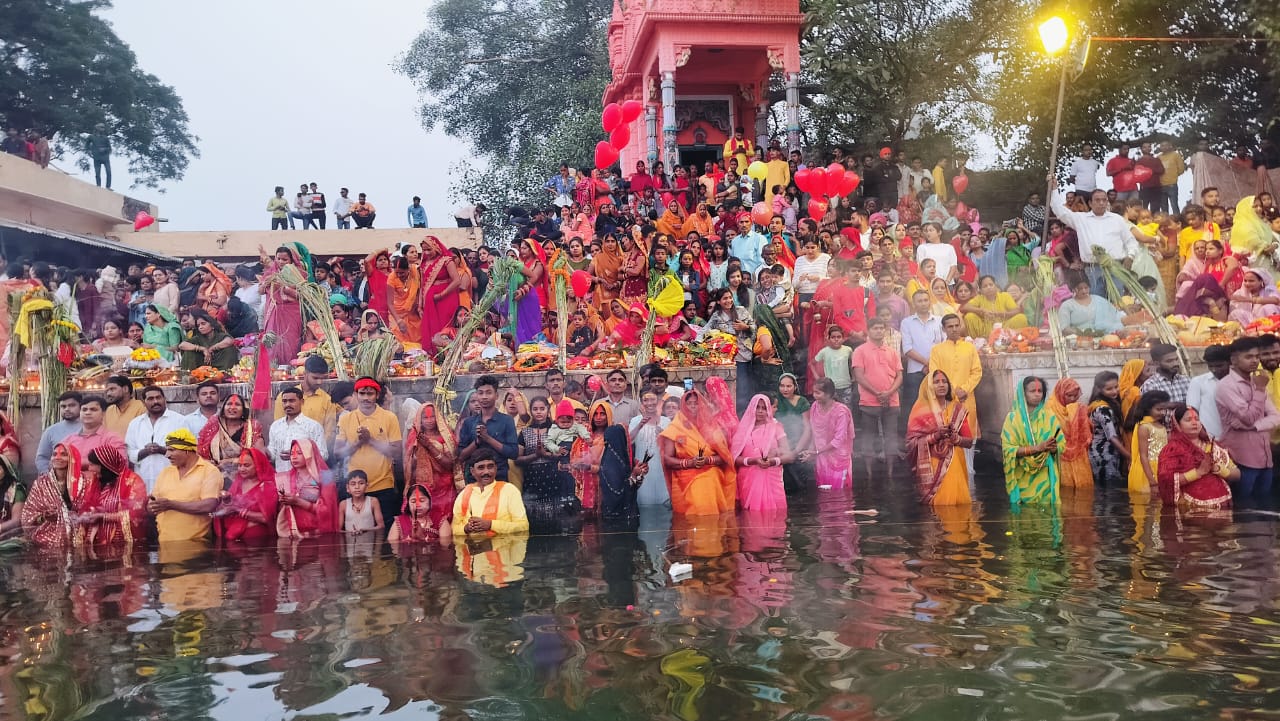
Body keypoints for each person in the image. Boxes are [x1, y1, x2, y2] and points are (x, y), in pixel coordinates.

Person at [1216, 336, 1280, 501]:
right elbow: (1248, 417)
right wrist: (1259, 389)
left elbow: (1275, 417)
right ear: (1234, 359)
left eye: (1257, 356)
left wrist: (1254, 427)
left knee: (1265, 505)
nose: (1254, 361)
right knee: (1244, 508)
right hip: (1241, 459)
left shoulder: (1256, 381)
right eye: (1248, 357)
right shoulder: (1226, 386)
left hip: (1265, 457)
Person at [335, 377, 402, 528]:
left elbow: (397, 452)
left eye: (370, 394)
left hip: (383, 485)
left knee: (385, 535)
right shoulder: (346, 419)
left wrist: (370, 440)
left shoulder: (389, 418)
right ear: (355, 394)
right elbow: (338, 453)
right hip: (356, 488)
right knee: (355, 535)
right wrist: (359, 442)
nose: (366, 398)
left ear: (377, 395)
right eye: (362, 393)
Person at [659, 389, 735, 515]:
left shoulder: (712, 427)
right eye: (689, 403)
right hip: (684, 477)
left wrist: (707, 460)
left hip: (711, 474)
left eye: (696, 403)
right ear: (683, 406)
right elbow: (667, 459)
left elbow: (724, 457)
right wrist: (690, 463)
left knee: (709, 483)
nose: (693, 407)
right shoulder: (675, 428)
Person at [1051, 188, 1139, 295]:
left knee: (1118, 304)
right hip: (1092, 270)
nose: (1101, 203)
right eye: (1097, 200)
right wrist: (1054, 189)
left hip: (1115, 268)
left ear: (1107, 202)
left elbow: (1131, 241)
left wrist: (1130, 256)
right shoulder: (1081, 219)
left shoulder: (1117, 219)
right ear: (1090, 203)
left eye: (1104, 200)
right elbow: (1059, 211)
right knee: (1097, 304)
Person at [905, 369, 974, 506]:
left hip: (955, 462)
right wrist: (936, 436)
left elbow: (969, 442)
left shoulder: (957, 408)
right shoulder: (920, 410)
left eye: (944, 381)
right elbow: (910, 443)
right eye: (936, 382)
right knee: (937, 505)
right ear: (929, 386)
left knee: (958, 505)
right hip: (931, 464)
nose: (941, 385)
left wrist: (956, 439)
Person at [147, 429, 222, 543]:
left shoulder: (209, 471)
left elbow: (209, 505)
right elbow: (151, 508)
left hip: (197, 545)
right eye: (167, 450)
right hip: (165, 543)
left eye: (171, 450)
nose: (167, 455)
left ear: (187, 450)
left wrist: (171, 504)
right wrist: (152, 506)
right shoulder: (165, 472)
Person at [1156, 404, 1235, 512]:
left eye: (1197, 419)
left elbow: (1237, 474)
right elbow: (1166, 480)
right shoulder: (1171, 451)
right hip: (1190, 512)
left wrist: (1219, 470)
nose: (1194, 423)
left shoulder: (1212, 446)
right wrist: (1198, 472)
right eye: (1188, 420)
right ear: (1177, 425)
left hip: (1223, 509)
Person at [929, 314, 983, 467]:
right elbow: (935, 373)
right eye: (950, 326)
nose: (954, 329)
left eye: (956, 325)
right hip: (946, 400)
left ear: (960, 326)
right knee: (948, 434)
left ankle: (969, 470)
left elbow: (977, 371)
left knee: (968, 434)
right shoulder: (937, 350)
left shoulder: (969, 347)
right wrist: (951, 392)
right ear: (944, 329)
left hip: (967, 398)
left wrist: (964, 389)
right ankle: (949, 470)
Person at [1001, 376, 1063, 506]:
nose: (1037, 395)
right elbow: (1008, 449)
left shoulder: (1049, 416)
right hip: (1022, 475)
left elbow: (1061, 443)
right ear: (1022, 393)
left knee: (1047, 515)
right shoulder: (1012, 419)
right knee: (1024, 515)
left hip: (1046, 473)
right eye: (1032, 391)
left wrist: (1054, 448)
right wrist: (1037, 448)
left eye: (1040, 391)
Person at [852, 318, 902, 475]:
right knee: (868, 437)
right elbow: (859, 376)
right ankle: (869, 474)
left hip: (892, 400)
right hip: (869, 401)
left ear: (885, 330)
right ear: (869, 330)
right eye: (875, 328)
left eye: (881, 328)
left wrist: (888, 393)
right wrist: (877, 393)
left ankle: (890, 473)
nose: (879, 331)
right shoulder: (860, 351)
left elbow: (900, 376)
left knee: (891, 437)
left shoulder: (892, 351)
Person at [404, 402, 460, 530]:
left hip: (445, 489)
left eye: (432, 417)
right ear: (419, 419)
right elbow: (408, 466)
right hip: (423, 489)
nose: (429, 421)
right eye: (425, 417)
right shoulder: (414, 438)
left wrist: (429, 446)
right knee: (424, 525)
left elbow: (450, 464)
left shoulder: (446, 437)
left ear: (438, 418)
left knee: (446, 524)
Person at [731, 394, 791, 512]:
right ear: (751, 408)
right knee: (752, 517)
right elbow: (735, 458)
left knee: (775, 517)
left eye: (764, 408)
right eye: (757, 407)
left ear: (769, 409)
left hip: (771, 477)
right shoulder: (742, 430)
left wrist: (773, 461)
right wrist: (754, 461)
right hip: (749, 479)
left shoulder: (776, 427)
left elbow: (788, 455)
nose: (760, 411)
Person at [451, 448, 529, 536]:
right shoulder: (464, 494)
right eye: (481, 468)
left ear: (496, 468)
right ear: (472, 471)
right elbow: (454, 528)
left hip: (502, 547)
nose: (486, 472)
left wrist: (491, 525)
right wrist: (466, 529)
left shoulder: (509, 490)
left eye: (490, 466)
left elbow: (523, 526)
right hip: (470, 547)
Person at [457, 375, 520, 482]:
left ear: (496, 395)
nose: (484, 397)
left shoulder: (506, 420)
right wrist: (476, 442)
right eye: (480, 393)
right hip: (474, 479)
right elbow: (461, 456)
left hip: (499, 477)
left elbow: (513, 453)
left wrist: (488, 439)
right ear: (476, 395)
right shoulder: (469, 422)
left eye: (488, 392)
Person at [124, 386, 185, 492]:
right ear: (144, 402)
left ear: (165, 399)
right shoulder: (135, 423)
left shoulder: (179, 420)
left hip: (173, 481)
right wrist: (146, 451)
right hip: (143, 482)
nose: (155, 401)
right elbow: (129, 453)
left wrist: (161, 450)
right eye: (150, 399)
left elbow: (187, 452)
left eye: (158, 397)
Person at [21, 443, 83, 548]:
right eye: (54, 454)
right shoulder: (41, 484)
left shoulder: (84, 482)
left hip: (80, 539)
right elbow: (27, 517)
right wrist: (44, 517)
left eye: (63, 454)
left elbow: (90, 512)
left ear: (72, 458)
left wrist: (69, 516)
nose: (57, 457)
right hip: (47, 540)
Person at [212, 449, 279, 544]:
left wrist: (239, 511)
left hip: (258, 543)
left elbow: (267, 518)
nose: (241, 469)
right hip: (235, 539)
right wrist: (226, 500)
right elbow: (229, 508)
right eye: (240, 465)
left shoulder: (267, 486)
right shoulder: (239, 483)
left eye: (246, 465)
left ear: (258, 466)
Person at [275, 439, 338, 537]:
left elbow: (328, 511)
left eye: (299, 453)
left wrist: (298, 502)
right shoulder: (284, 478)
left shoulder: (325, 477)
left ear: (310, 454)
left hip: (319, 536)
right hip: (292, 535)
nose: (294, 457)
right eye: (292, 453)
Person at [801, 377, 855, 490]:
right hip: (822, 458)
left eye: (818, 392)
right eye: (814, 392)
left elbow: (838, 440)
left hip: (838, 459)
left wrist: (816, 452)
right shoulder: (815, 406)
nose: (814, 395)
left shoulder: (841, 412)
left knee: (839, 494)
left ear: (829, 394)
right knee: (824, 493)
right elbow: (814, 432)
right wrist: (811, 452)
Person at [259, 245, 306, 365]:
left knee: (290, 340)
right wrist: (265, 284)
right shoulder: (270, 273)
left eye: (285, 260)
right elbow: (260, 291)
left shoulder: (299, 275)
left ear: (291, 260)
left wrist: (284, 288)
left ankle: (291, 367)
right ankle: (272, 368)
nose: (281, 262)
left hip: (291, 312)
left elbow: (303, 296)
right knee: (272, 340)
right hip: (273, 312)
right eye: (278, 258)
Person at [1046, 378, 1094, 491]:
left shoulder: (1078, 408)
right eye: (1069, 395)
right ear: (1060, 393)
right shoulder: (1050, 409)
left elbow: (1086, 430)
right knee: (1063, 488)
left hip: (1078, 454)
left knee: (1083, 491)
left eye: (1075, 396)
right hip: (1059, 453)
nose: (1072, 399)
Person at [267, 386, 328, 472]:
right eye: (284, 401)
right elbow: (273, 454)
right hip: (282, 478)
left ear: (302, 402)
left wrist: (299, 455)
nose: (287, 404)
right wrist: (264, 451)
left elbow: (323, 455)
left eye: (292, 401)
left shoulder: (313, 426)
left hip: (305, 480)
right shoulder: (276, 426)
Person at [1087, 371, 1130, 486]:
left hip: (1110, 451)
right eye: (1109, 389)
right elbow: (1112, 437)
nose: (1115, 391)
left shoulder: (1110, 403)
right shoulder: (1102, 408)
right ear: (1099, 390)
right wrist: (1129, 456)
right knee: (1108, 490)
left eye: (1116, 387)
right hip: (1103, 454)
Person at [630, 389, 671, 507]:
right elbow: (629, 440)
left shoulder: (666, 421)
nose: (649, 403)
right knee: (644, 502)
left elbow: (673, 445)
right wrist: (639, 426)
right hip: (642, 468)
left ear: (658, 401)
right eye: (645, 400)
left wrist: (664, 435)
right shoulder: (635, 420)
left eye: (652, 399)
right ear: (641, 403)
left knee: (664, 501)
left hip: (662, 467)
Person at [1127, 390, 1172, 497]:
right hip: (1148, 471)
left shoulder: (1162, 426)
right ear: (1148, 409)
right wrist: (1151, 481)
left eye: (1165, 409)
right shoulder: (1144, 427)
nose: (1163, 412)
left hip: (1162, 468)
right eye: (1159, 409)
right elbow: (1143, 455)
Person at [64, 395, 127, 464]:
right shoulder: (69, 440)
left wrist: (75, 463)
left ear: (103, 414)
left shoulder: (112, 439)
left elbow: (120, 463)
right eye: (84, 409)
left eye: (93, 409)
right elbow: (57, 462)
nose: (87, 413)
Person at [1187, 344, 1231, 439]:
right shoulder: (1198, 382)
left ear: (1229, 362)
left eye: (1219, 366)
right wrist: (1201, 432)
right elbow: (1192, 410)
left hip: (1235, 437)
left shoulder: (1237, 381)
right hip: (1209, 436)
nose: (1214, 370)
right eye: (1210, 366)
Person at [387, 483, 453, 546]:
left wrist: (422, 538)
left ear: (430, 501)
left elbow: (446, 546)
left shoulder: (440, 520)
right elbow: (392, 546)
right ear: (408, 503)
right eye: (413, 501)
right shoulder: (399, 521)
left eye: (422, 500)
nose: (417, 505)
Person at [964, 275, 1028, 339]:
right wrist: (981, 310)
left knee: (1021, 318)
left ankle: (1009, 340)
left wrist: (1001, 314)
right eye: (985, 286)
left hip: (1004, 327)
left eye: (991, 285)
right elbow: (964, 307)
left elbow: (1017, 310)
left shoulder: (1005, 296)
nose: (989, 287)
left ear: (995, 286)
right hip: (985, 330)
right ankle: (979, 342)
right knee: (969, 316)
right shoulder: (979, 298)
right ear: (981, 290)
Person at [35, 391, 81, 475]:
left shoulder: (90, 428)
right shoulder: (51, 431)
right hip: (58, 481)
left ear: (81, 406)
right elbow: (42, 458)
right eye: (63, 406)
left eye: (72, 405)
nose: (67, 409)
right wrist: (49, 478)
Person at [1057, 276, 1124, 334]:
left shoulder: (1098, 300)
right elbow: (1064, 329)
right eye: (1080, 289)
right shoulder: (1067, 305)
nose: (1084, 291)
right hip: (1077, 340)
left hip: (1103, 336)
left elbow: (1115, 315)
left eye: (1086, 288)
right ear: (1073, 289)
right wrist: (1082, 334)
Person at [102, 375, 145, 439]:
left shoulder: (141, 408)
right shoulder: (109, 410)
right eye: (107, 391)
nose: (108, 394)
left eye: (112, 389)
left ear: (125, 389)